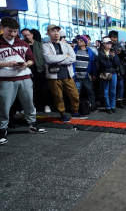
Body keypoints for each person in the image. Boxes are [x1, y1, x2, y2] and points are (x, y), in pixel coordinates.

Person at [0, 17, 46, 145]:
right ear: (2, 28)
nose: (13, 34)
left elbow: (32, 59)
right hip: (6, 79)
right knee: (4, 105)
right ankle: (2, 129)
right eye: (10, 31)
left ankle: (32, 125)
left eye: (15, 31)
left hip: (25, 77)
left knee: (29, 103)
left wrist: (26, 64)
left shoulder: (22, 43)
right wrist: (7, 64)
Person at [42, 24, 87, 123]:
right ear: (48, 33)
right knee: (58, 96)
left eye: (57, 31)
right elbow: (49, 59)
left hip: (67, 74)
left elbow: (72, 58)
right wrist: (64, 56)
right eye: (53, 31)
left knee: (74, 94)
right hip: (53, 76)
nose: (56, 33)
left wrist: (57, 60)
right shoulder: (45, 45)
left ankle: (75, 112)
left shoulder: (66, 45)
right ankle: (62, 114)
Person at [21, 28, 51, 113]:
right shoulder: (22, 45)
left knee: (44, 89)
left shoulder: (40, 44)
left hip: (41, 69)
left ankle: (46, 105)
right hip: (28, 70)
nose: (27, 37)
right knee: (30, 90)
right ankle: (32, 106)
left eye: (28, 35)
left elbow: (45, 57)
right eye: (24, 35)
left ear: (32, 35)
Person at [73, 35, 98, 111]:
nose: (78, 42)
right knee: (76, 94)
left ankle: (92, 107)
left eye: (81, 41)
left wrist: (94, 74)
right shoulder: (74, 50)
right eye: (78, 40)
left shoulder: (90, 52)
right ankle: (76, 108)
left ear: (85, 43)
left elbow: (93, 64)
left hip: (86, 76)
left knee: (90, 92)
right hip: (76, 76)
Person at [98, 37, 121, 114]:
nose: (109, 45)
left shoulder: (113, 52)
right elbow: (104, 64)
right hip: (105, 73)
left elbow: (117, 63)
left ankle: (113, 106)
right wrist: (112, 62)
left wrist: (113, 57)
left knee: (113, 91)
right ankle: (108, 107)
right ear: (104, 44)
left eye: (110, 43)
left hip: (113, 73)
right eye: (107, 43)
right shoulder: (101, 53)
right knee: (105, 91)